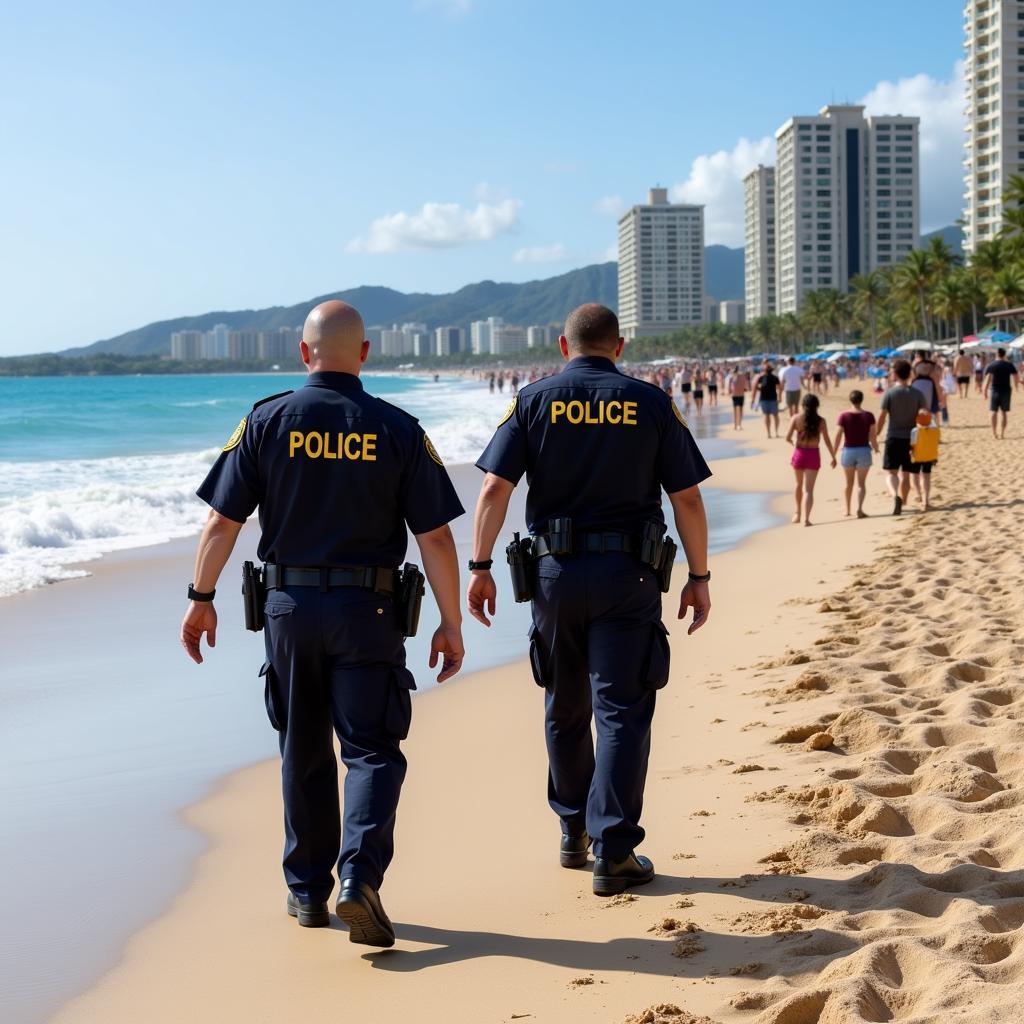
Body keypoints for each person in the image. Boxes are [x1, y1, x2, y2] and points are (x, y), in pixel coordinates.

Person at [180, 301, 465, 948]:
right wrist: (451, 621)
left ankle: (307, 892)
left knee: (301, 747)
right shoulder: (397, 427)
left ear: (303, 352)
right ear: (364, 355)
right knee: (371, 750)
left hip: (289, 611)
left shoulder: (266, 420)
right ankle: (358, 878)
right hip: (369, 612)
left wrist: (201, 596)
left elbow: (223, 522)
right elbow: (437, 539)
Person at [467, 303, 712, 898]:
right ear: (619, 346)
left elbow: (495, 487)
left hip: (554, 575)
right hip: (628, 575)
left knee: (564, 702)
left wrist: (479, 566)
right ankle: (616, 849)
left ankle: (573, 829)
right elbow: (687, 501)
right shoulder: (651, 402)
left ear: (562, 344)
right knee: (621, 709)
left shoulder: (533, 400)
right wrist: (699, 576)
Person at [876, 359, 928, 516]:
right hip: (912, 438)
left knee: (892, 473)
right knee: (906, 474)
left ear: (896, 374)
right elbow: (924, 414)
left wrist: (876, 434)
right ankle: (903, 500)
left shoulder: (890, 393)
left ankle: (895, 496)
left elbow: (882, 417)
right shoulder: (917, 394)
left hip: (893, 436)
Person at [785, 393, 836, 527]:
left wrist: (794, 444)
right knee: (809, 490)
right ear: (816, 406)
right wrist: (833, 456)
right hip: (813, 454)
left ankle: (797, 513)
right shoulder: (821, 421)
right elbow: (827, 441)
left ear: (803, 405)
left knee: (798, 484)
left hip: (800, 453)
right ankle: (806, 519)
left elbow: (787, 437)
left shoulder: (796, 418)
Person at [834, 390, 878, 518]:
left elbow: (838, 436)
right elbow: (872, 436)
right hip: (864, 450)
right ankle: (859, 509)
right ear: (861, 400)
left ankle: (847, 510)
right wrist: (876, 448)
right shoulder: (869, 416)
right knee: (861, 484)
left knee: (848, 483)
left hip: (848, 451)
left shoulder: (843, 416)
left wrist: (834, 452)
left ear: (850, 400)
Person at [983, 347, 1020, 439]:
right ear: (1004, 355)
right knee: (1004, 413)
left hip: (995, 390)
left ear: (997, 354)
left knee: (993, 412)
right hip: (1006, 391)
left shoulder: (991, 365)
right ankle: (1002, 433)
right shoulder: (1009, 365)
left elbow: (988, 378)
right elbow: (1016, 377)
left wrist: (985, 391)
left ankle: (994, 433)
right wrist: (1016, 387)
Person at [909, 409, 940, 511]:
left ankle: (919, 495)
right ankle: (926, 501)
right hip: (930, 456)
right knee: (926, 476)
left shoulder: (915, 431)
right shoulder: (935, 430)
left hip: (917, 456)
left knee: (914, 475)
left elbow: (912, 445)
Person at [753, 361, 782, 438]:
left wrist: (759, 390)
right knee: (775, 416)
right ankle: (775, 432)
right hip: (772, 399)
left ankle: (769, 433)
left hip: (765, 399)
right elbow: (779, 388)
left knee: (767, 416)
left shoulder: (761, 378)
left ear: (765, 370)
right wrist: (780, 397)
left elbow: (756, 388)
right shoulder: (775, 378)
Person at [728, 366, 750, 430]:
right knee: (739, 410)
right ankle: (738, 425)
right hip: (739, 395)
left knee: (736, 410)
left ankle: (736, 425)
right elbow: (746, 386)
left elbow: (730, 387)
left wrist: (729, 391)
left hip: (736, 395)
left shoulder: (732, 377)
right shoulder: (740, 377)